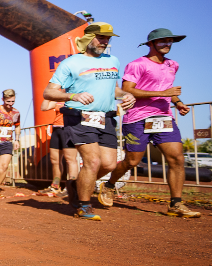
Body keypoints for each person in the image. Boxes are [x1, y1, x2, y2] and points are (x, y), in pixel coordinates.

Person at [99, 28, 200, 218]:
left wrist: (178, 103)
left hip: (163, 117)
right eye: (162, 41)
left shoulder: (173, 64)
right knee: (132, 160)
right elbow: (128, 89)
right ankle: (109, 185)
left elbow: (167, 88)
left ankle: (176, 204)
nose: (167, 45)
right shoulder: (137, 64)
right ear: (151, 44)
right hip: (137, 117)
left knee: (177, 159)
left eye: (170, 41)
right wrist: (164, 94)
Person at [43, 22, 135, 221]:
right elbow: (48, 92)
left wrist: (125, 95)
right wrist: (73, 96)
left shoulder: (113, 60)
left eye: (108, 38)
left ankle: (76, 185)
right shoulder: (71, 63)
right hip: (79, 117)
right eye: (101, 37)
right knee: (92, 161)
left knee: (109, 164)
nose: (105, 42)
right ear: (88, 38)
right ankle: (83, 205)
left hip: (106, 118)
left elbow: (113, 90)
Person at [37, 99, 79, 195]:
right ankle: (55, 186)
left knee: (70, 160)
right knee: (54, 160)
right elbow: (43, 108)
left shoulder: (76, 97)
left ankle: (71, 188)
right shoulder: (58, 100)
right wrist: (47, 96)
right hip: (56, 130)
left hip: (69, 129)